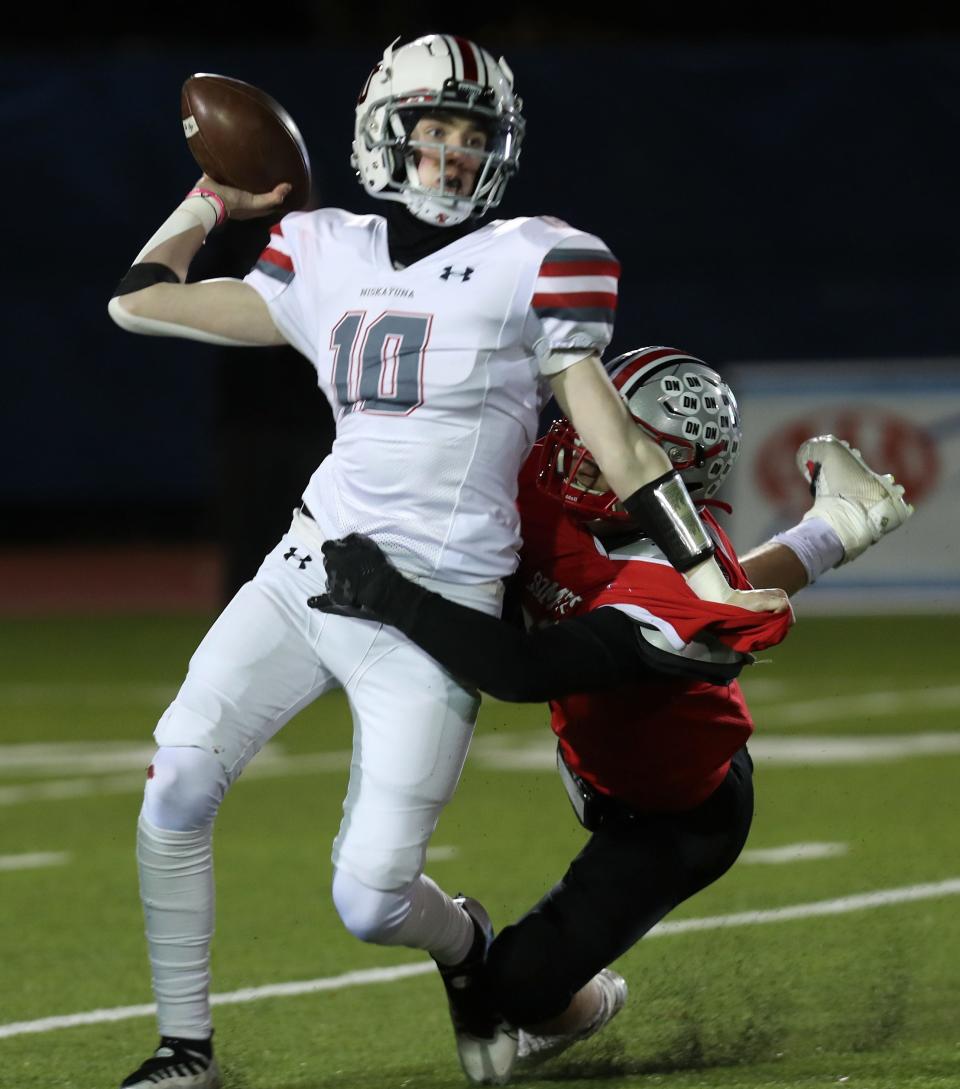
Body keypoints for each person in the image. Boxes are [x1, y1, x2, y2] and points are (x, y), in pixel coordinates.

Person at [106, 36, 791, 1089]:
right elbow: (138, 301)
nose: (452, 153)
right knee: (178, 780)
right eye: (434, 128)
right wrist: (212, 198)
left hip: (441, 596)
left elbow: (617, 439)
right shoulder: (321, 246)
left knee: (371, 898)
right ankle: (183, 1050)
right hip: (310, 564)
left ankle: (466, 948)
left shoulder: (541, 255)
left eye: (473, 135)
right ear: (387, 128)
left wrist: (701, 566)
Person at [314, 345, 914, 1085]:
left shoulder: (670, 576)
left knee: (519, 986)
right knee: (684, 604)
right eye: (597, 427)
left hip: (680, 813)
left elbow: (522, 670)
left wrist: (394, 596)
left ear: (675, 476)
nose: (588, 452)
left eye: (623, 444)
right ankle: (838, 524)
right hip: (605, 745)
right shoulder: (544, 475)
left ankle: (589, 1003)